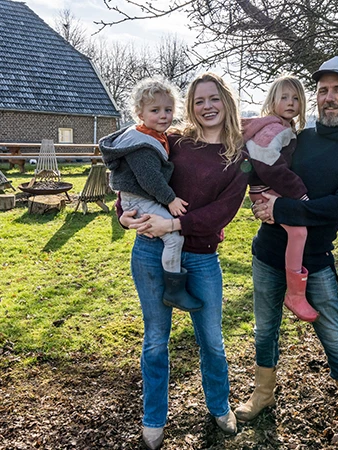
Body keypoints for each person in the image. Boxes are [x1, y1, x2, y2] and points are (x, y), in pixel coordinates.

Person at [235, 56, 338, 441]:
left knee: (332, 335)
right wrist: (256, 196)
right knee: (265, 330)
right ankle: (263, 394)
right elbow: (262, 168)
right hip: (268, 253)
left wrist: (281, 208)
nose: (328, 97)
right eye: (322, 90)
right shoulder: (299, 137)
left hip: (314, 262)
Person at [116, 72, 248, 450]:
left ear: (226, 102)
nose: (207, 106)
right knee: (156, 341)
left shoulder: (238, 157)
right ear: (190, 106)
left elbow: (223, 212)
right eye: (199, 100)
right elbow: (133, 178)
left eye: (213, 98)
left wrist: (174, 224)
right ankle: (154, 417)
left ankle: (219, 405)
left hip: (202, 258)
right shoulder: (173, 141)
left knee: (212, 341)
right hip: (150, 250)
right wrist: (123, 216)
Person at [100, 77, 203, 312]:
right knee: (174, 238)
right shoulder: (141, 143)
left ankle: (172, 285)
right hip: (139, 199)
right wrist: (170, 199)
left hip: (140, 198)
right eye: (155, 110)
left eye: (168, 109)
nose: (163, 115)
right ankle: (174, 290)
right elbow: (150, 179)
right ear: (140, 114)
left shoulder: (154, 136)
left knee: (169, 235)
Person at [242, 75, 318, 323]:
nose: (290, 102)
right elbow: (268, 164)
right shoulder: (275, 128)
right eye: (284, 97)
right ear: (271, 100)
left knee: (295, 231)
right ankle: (295, 294)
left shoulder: (283, 126)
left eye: (296, 98)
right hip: (267, 188)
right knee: (298, 232)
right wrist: (299, 193)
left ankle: (294, 289)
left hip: (267, 188)